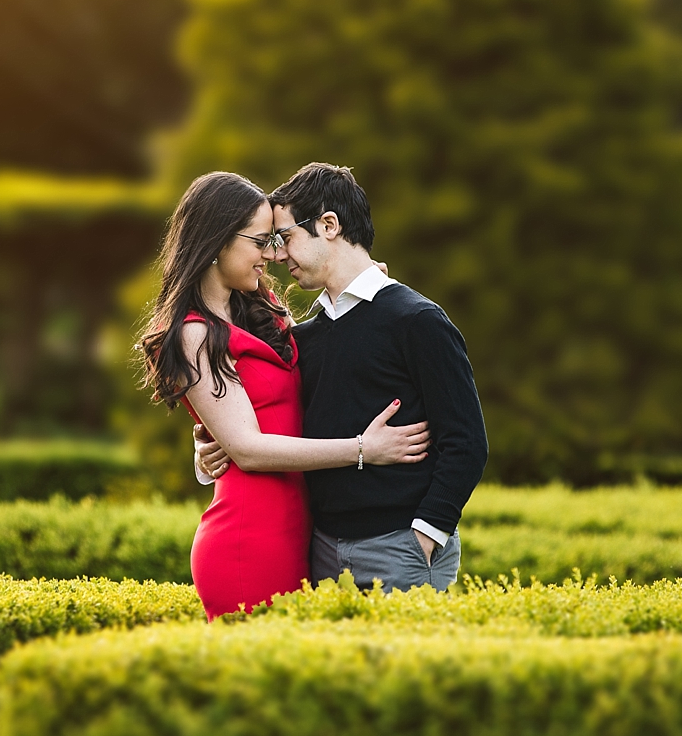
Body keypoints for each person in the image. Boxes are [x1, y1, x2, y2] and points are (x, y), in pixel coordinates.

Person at [136, 171, 431, 619]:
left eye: (275, 240)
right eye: (260, 241)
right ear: (218, 242)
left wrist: (365, 287)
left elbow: (323, 353)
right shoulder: (194, 334)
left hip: (303, 535)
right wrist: (362, 450)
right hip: (249, 541)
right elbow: (248, 450)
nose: (272, 255)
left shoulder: (260, 310)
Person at [197, 163, 488, 592]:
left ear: (328, 225)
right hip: (318, 552)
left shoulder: (417, 320)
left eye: (285, 238)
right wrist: (206, 445)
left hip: (399, 549)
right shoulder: (303, 338)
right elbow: (268, 411)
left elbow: (467, 442)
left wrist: (426, 533)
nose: (276, 255)